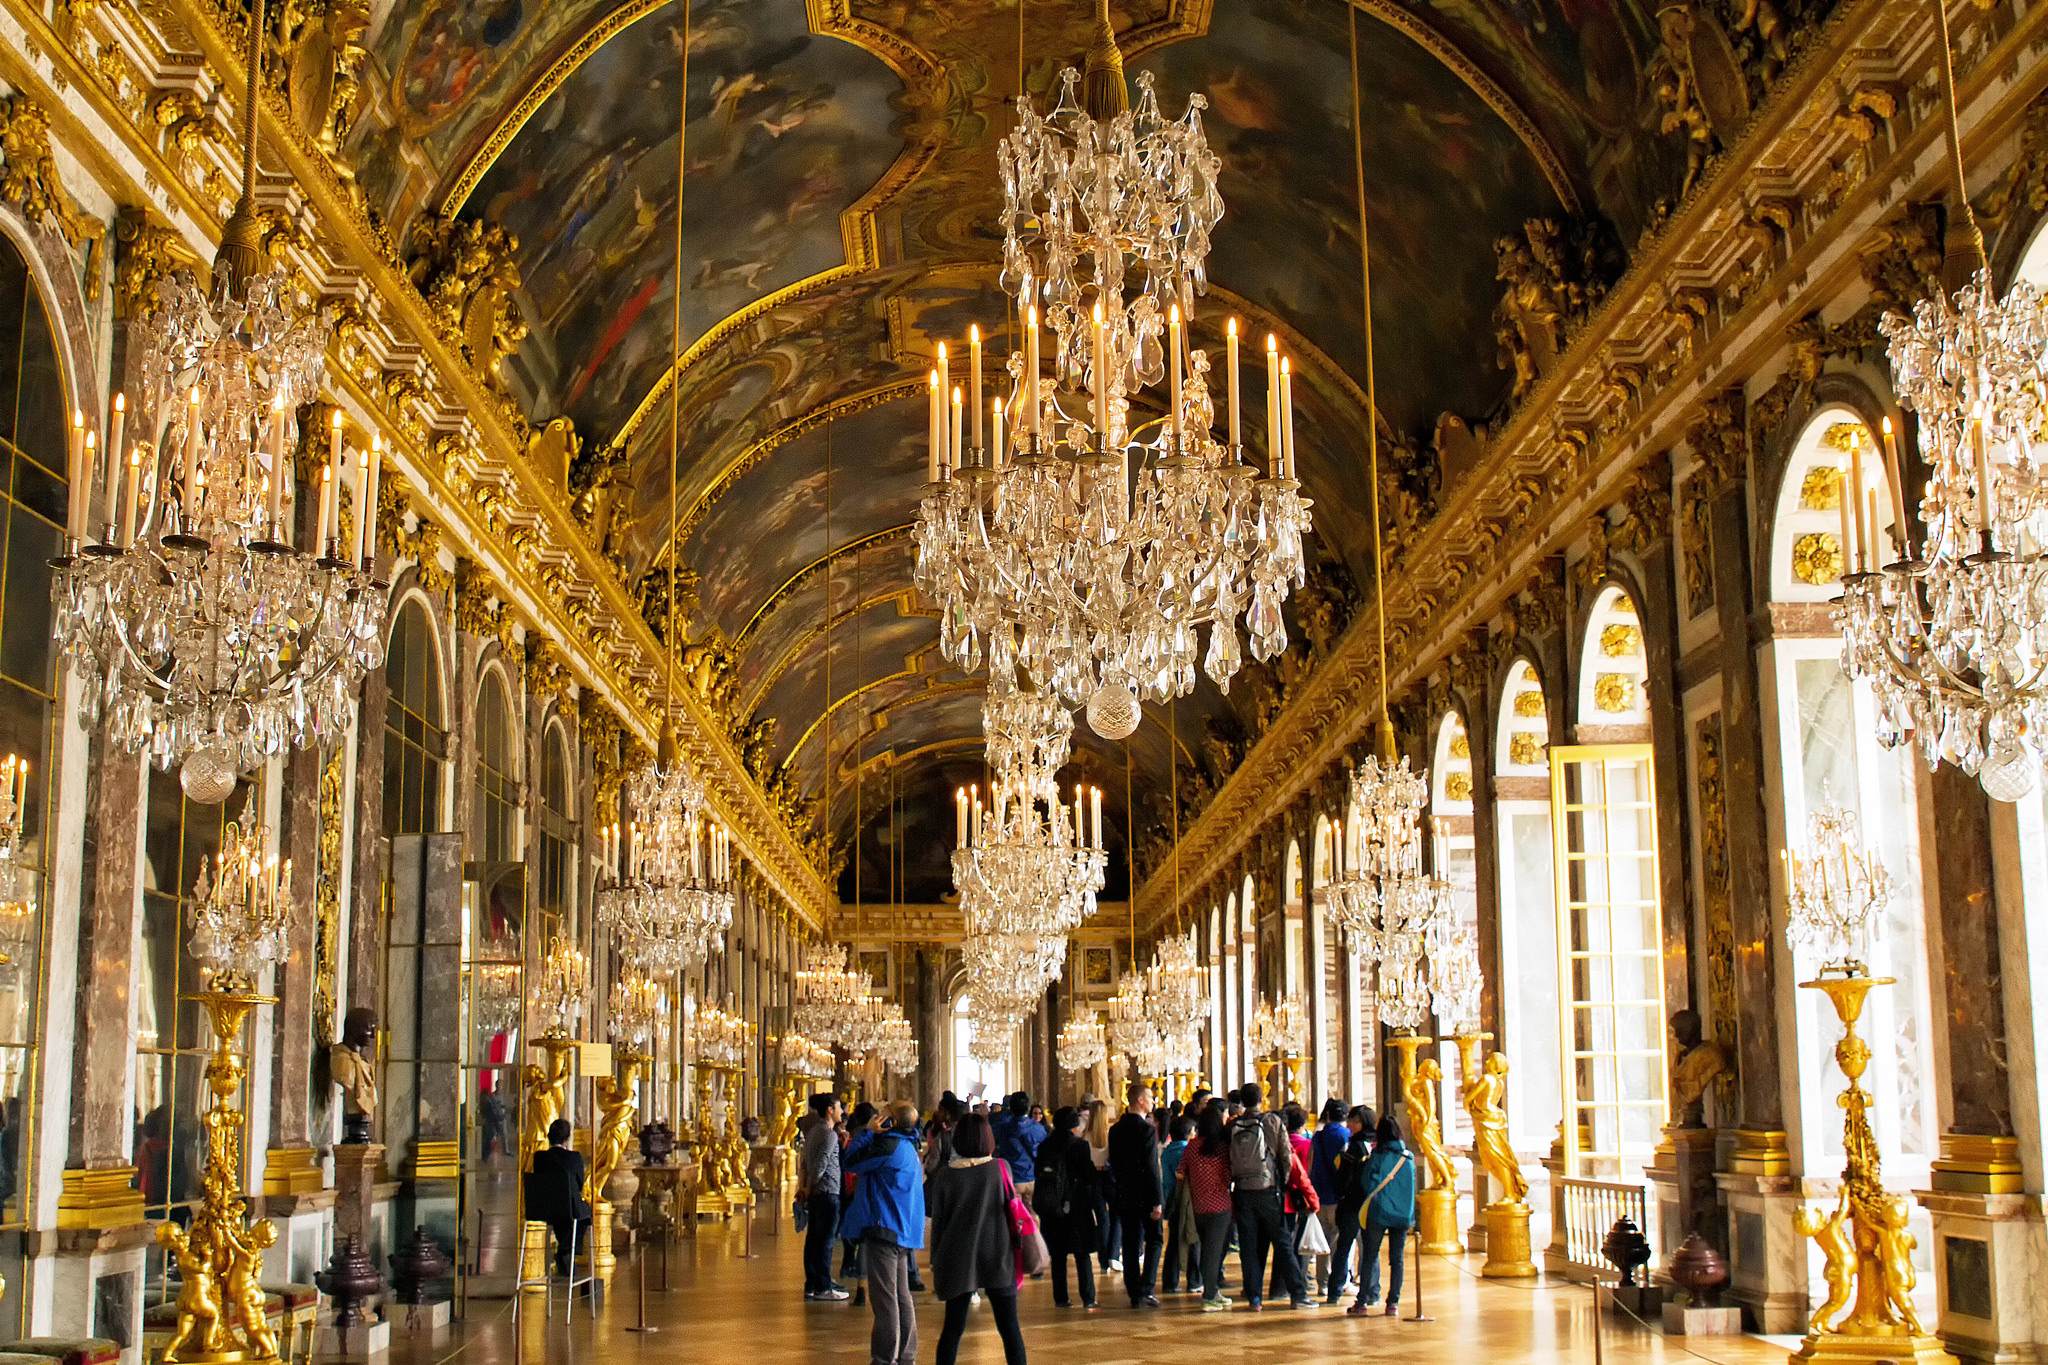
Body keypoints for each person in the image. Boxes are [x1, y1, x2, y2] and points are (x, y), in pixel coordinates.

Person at [927, 1113, 1026, 1365]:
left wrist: (936, 1260)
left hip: (958, 1256)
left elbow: (938, 1223)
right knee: (1010, 1329)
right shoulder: (1000, 1169)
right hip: (998, 1253)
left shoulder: (945, 1177)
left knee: (952, 1330)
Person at [843, 1102, 926, 1365]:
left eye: (884, 1114)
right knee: (901, 1296)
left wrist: (867, 1132)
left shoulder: (887, 1146)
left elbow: (850, 1161)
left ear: (890, 1121)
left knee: (885, 1301)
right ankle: (906, 1355)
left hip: (884, 1227)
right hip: (901, 1229)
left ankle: (883, 1358)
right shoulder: (909, 1146)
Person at [1229, 1081, 1312, 1310]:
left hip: (1243, 1190)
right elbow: (1286, 1155)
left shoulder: (1235, 1124)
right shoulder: (1271, 1121)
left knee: (1249, 1246)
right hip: (1268, 1190)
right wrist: (1281, 1183)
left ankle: (1254, 1298)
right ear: (1262, 1098)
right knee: (1283, 1242)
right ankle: (1298, 1293)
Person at [1349, 1115, 1417, 1317]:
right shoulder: (1409, 1159)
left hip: (1378, 1212)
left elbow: (1365, 1183)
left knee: (1370, 1256)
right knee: (1397, 1260)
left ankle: (1362, 1302)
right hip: (1402, 1216)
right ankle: (1393, 1303)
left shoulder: (1376, 1157)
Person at [1033, 1107, 1099, 1309]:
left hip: (1052, 1204)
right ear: (1074, 1125)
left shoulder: (1045, 1145)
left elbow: (1038, 1172)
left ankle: (1061, 1298)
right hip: (1076, 1203)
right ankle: (1088, 1298)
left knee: (1058, 1254)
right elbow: (1089, 1176)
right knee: (1081, 1254)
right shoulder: (1079, 1146)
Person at [1107, 1082, 1164, 1307]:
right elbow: (1151, 1167)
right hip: (1146, 1195)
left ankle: (1133, 1290)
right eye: (1150, 1097)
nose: (1153, 1101)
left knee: (1130, 1244)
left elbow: (1116, 1165)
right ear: (1140, 1100)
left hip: (1124, 1194)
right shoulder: (1147, 1130)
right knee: (1155, 1240)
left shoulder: (1115, 1130)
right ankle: (1146, 1287)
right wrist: (1157, 1201)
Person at [1183, 1103, 1236, 1309]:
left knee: (1207, 1249)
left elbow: (1181, 1170)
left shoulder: (1192, 1146)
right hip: (1220, 1205)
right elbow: (1230, 1174)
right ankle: (1209, 1295)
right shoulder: (1223, 1148)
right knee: (1214, 1252)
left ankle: (1212, 1289)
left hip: (1198, 1205)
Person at [798, 1093, 849, 1301]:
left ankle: (812, 1283)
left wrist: (804, 1187)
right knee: (826, 1241)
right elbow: (821, 1164)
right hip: (827, 1192)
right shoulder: (828, 1134)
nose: (842, 1111)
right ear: (830, 1110)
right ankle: (823, 1287)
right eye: (838, 1107)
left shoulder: (813, 1132)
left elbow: (805, 1162)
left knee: (813, 1241)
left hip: (818, 1192)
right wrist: (809, 1188)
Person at [528, 1119, 592, 1277]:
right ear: (568, 1137)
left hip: (542, 1209)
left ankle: (565, 1255)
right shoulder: (574, 1157)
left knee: (562, 1215)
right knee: (585, 1214)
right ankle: (565, 1250)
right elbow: (579, 1183)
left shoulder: (539, 1157)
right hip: (567, 1209)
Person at [1326, 1105, 1374, 1304]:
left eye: (1355, 1121)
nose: (1350, 1125)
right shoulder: (1366, 1145)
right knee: (1363, 1248)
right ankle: (1370, 1290)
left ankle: (1338, 1290)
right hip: (1362, 1203)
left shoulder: (1357, 1146)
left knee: (1346, 1247)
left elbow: (1345, 1176)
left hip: (1353, 1203)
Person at [1270, 1103, 1317, 1301]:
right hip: (1299, 1199)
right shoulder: (1306, 1145)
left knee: (1283, 1246)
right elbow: (1305, 1173)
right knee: (1298, 1247)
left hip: (1278, 1198)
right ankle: (1298, 1282)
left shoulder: (1274, 1143)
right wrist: (1313, 1199)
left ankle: (1279, 1287)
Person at [1309, 1098, 1349, 1295]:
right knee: (1340, 1242)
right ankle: (1341, 1280)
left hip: (1319, 1193)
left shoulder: (1318, 1136)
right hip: (1338, 1195)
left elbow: (1310, 1163)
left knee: (1322, 1242)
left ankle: (1323, 1283)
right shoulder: (1346, 1136)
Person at [843, 1102, 879, 1301]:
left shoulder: (856, 1134)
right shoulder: (868, 1135)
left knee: (859, 1240)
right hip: (865, 1188)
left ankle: (860, 1284)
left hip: (860, 1189)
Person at [1160, 1114, 1198, 1295]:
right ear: (1190, 1134)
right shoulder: (1188, 1152)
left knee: (1174, 1241)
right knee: (1193, 1239)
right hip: (1188, 1202)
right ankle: (1194, 1280)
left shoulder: (1167, 1152)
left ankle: (1170, 1281)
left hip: (1171, 1201)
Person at [991, 1093, 1045, 1202]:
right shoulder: (1038, 1128)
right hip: (1032, 1176)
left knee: (1015, 1215)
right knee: (1033, 1216)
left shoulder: (1003, 1128)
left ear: (1010, 1107)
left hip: (1012, 1177)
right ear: (1029, 1108)